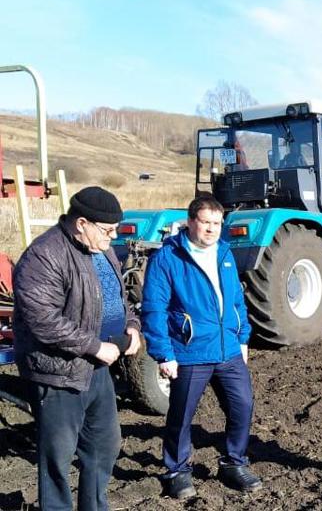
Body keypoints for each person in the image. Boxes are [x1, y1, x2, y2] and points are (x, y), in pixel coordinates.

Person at [13, 186, 142, 511]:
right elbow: (43, 320)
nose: (113, 237)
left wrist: (132, 326)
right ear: (81, 222)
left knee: (104, 445)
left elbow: (118, 298)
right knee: (57, 456)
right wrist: (94, 346)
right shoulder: (44, 256)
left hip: (97, 369)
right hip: (58, 373)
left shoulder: (103, 250)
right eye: (108, 230)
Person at [141, 195, 260, 499]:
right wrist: (163, 354)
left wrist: (242, 337)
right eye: (206, 222)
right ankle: (177, 470)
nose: (211, 229)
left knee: (242, 406)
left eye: (217, 223)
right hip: (191, 350)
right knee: (181, 415)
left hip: (229, 350)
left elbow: (236, 300)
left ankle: (234, 462)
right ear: (191, 221)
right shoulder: (167, 258)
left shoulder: (224, 253)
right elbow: (154, 309)